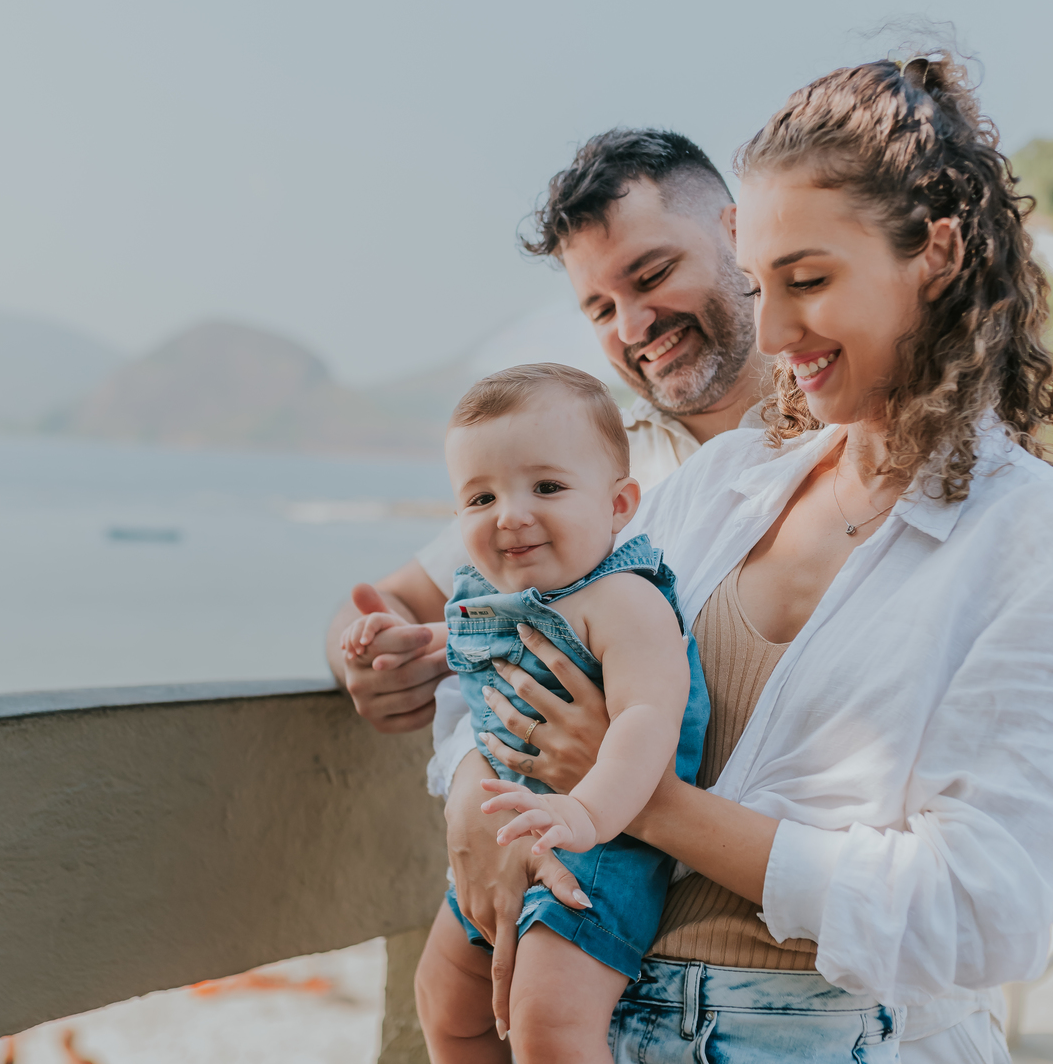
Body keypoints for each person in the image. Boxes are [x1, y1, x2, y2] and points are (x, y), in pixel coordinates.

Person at [427, 57, 1053, 1064]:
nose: (775, 327)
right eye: (760, 284)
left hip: (798, 1057)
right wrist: (452, 735)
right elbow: (541, 652)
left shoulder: (1049, 548)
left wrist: (658, 805)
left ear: (934, 253)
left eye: (807, 278)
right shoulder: (724, 484)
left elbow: (990, 912)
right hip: (595, 1045)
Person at [344, 364, 709, 1064]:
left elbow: (646, 723)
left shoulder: (622, 599)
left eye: (546, 487)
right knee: (442, 992)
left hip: (606, 850)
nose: (510, 514)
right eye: (481, 495)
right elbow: (450, 652)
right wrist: (388, 648)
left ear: (620, 502)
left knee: (550, 1018)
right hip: (511, 844)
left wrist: (585, 811)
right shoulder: (492, 592)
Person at [325, 129, 764, 735]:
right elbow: (384, 599)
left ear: (739, 234)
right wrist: (371, 663)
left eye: (653, 274)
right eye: (602, 310)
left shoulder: (852, 433)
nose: (633, 327)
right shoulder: (580, 462)